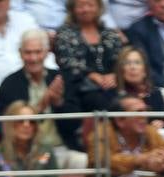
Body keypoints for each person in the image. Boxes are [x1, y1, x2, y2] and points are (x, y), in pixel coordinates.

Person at [73, 92, 164, 177]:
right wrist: (141, 159)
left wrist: (163, 167)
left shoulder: (151, 133)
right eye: (138, 112)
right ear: (120, 120)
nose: (145, 116)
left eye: (146, 111)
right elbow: (99, 161)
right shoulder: (102, 133)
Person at [54, 0, 125, 149]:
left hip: (110, 85)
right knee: (100, 100)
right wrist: (92, 75)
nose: (86, 9)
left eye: (90, 5)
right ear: (73, 9)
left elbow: (122, 59)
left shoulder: (110, 33)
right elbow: (66, 62)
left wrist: (114, 75)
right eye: (80, 5)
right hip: (79, 87)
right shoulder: (65, 33)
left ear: (99, 8)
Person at [0, 29, 64, 153]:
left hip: (60, 146)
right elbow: (13, 126)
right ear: (20, 53)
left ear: (47, 53)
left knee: (80, 161)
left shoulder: (59, 78)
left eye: (38, 52)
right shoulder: (9, 84)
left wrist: (58, 102)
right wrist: (44, 102)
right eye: (28, 52)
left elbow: (74, 124)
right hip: (26, 151)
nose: (33, 58)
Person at [112, 44, 164, 128]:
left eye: (137, 62)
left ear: (145, 70)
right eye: (127, 63)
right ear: (121, 69)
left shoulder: (156, 94)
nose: (132, 67)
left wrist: (159, 124)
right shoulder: (112, 95)